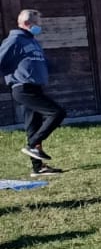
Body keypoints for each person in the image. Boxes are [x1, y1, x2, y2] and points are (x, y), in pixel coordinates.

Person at [0, 10, 65, 174]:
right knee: (57, 113)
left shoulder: (32, 41)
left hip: (35, 87)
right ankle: (32, 145)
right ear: (28, 24)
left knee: (33, 127)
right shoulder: (14, 40)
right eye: (37, 23)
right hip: (22, 88)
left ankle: (38, 168)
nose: (39, 27)